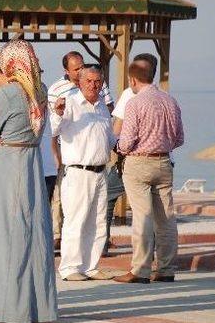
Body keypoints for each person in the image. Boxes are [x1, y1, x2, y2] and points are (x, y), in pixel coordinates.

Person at [0, 41, 58, 323]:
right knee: (32, 233)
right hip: (32, 163)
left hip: (9, 163)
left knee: (6, 234)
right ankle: (38, 307)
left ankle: (8, 308)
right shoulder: (41, 90)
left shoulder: (9, 93)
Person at [113, 61, 184, 284]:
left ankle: (140, 270)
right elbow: (179, 138)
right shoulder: (170, 101)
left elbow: (126, 141)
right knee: (166, 219)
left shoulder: (135, 103)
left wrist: (119, 148)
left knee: (142, 217)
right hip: (164, 162)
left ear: (132, 80)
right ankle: (166, 269)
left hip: (139, 163)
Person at [51, 66, 116, 281]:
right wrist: (58, 113)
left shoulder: (102, 108)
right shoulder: (69, 104)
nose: (93, 85)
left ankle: (90, 266)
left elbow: (109, 139)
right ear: (79, 82)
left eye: (97, 81)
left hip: (100, 171)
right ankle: (69, 268)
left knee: (97, 221)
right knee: (75, 220)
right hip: (78, 171)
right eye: (88, 80)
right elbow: (53, 129)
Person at [104, 53, 159, 255]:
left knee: (108, 197)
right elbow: (178, 138)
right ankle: (156, 254)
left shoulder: (130, 94)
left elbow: (117, 130)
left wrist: (115, 149)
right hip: (164, 161)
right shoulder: (164, 96)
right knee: (154, 210)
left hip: (132, 160)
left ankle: (102, 245)